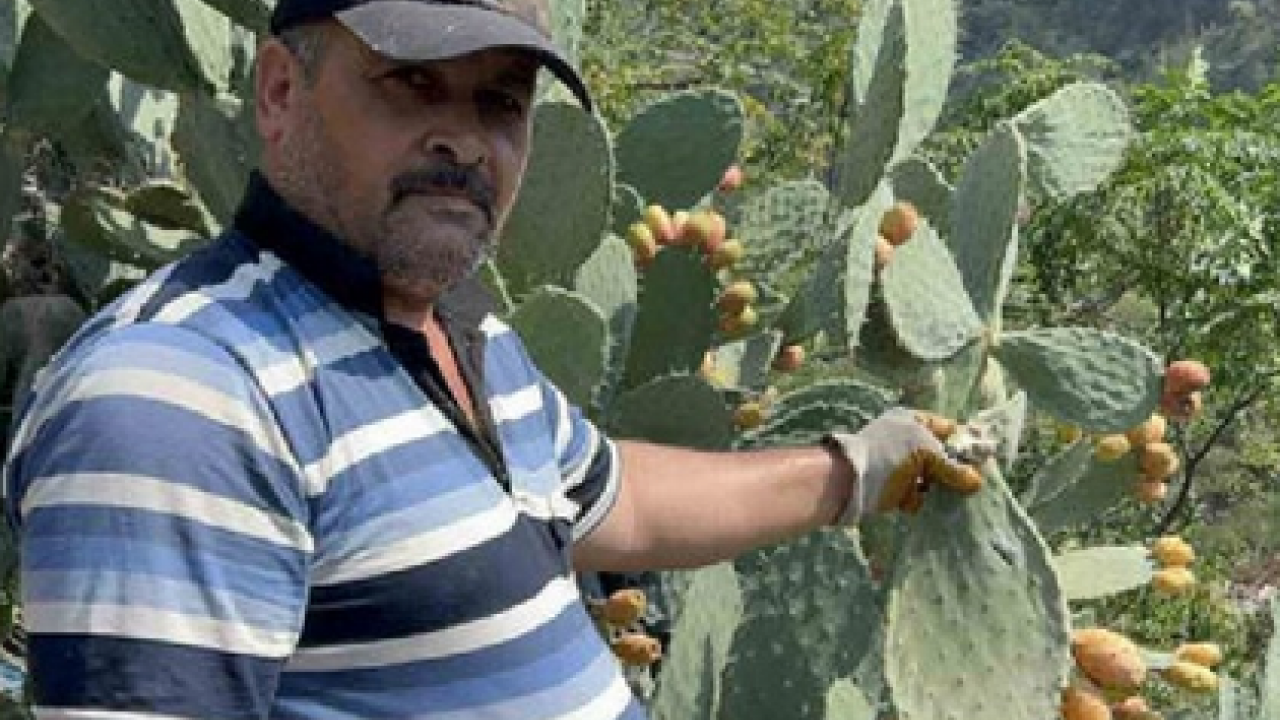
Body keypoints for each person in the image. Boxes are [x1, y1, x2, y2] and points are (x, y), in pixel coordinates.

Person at [0, 1, 979, 718]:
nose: (463, 139)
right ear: (279, 90)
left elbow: (616, 501)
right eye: (410, 82)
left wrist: (850, 469)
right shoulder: (182, 397)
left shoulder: (455, 328)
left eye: (500, 103)